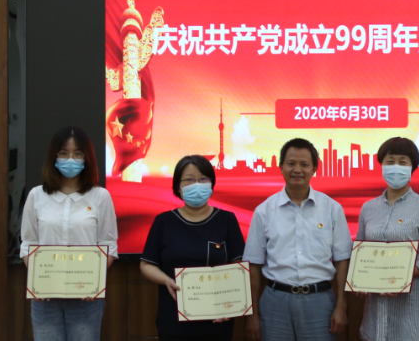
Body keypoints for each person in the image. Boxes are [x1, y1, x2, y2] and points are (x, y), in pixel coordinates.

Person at [243, 138, 352, 341]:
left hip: (320, 302)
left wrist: (341, 306)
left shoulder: (332, 208)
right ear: (281, 167)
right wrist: (253, 315)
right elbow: (254, 265)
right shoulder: (264, 211)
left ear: (314, 169)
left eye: (304, 164)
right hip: (275, 302)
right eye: (291, 163)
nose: (297, 170)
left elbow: (342, 260)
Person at [20, 126, 118, 341]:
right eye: (63, 153)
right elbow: (28, 244)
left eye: (78, 153)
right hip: (45, 299)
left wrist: (93, 281)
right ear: (53, 157)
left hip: (86, 299)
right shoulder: (36, 196)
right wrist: (40, 280)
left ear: (87, 158)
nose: (70, 159)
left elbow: (108, 246)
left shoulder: (100, 197)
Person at [140, 155, 245, 341]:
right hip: (174, 320)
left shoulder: (227, 220)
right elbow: (147, 265)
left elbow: (238, 266)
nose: (197, 184)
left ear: (211, 184)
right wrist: (166, 280)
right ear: (178, 187)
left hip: (217, 319)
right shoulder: (163, 221)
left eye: (203, 179)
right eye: (189, 180)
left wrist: (231, 304)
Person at [356, 137, 419, 341]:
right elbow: (360, 254)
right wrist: (361, 280)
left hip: (413, 321)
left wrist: (399, 275)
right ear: (381, 165)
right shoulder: (368, 208)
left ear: (412, 167)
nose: (396, 167)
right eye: (390, 161)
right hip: (374, 321)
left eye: (403, 162)